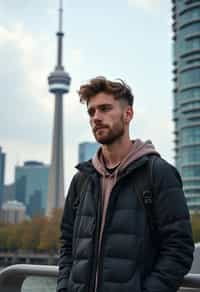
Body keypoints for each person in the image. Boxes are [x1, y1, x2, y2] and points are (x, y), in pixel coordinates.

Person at [57, 76, 194, 292]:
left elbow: (179, 248)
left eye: (104, 109)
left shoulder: (158, 173)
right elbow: (67, 244)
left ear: (128, 114)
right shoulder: (82, 179)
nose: (96, 117)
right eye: (91, 112)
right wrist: (65, 287)